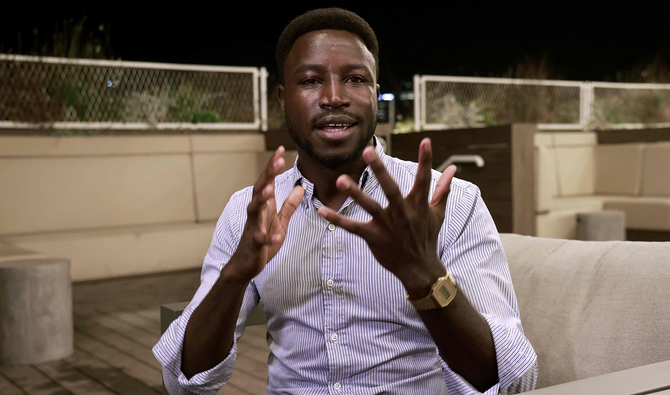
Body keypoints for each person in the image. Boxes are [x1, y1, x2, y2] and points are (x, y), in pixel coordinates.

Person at [153, 7, 537, 395]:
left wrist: (425, 275)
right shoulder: (248, 211)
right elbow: (183, 381)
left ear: (374, 93)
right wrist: (235, 275)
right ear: (283, 100)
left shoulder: (451, 202)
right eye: (310, 81)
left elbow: (512, 382)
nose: (333, 97)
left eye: (354, 79)